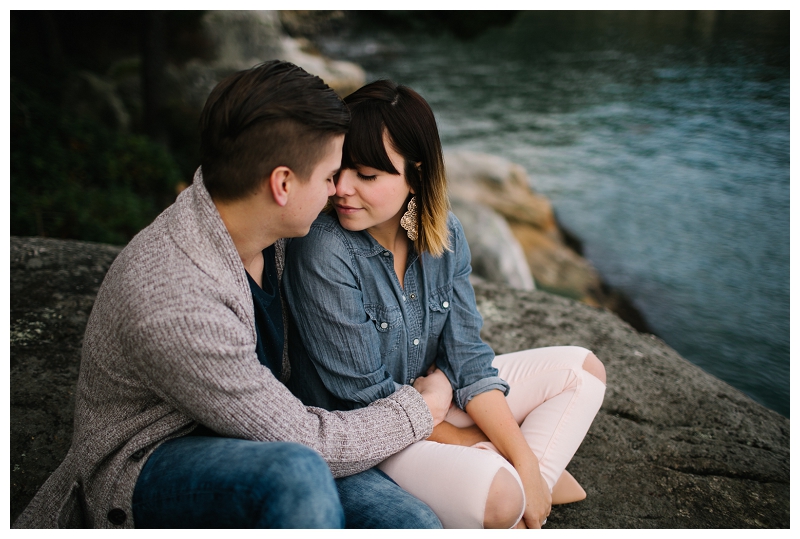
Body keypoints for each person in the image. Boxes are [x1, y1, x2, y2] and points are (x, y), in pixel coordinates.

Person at [13, 62, 454, 529]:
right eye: (329, 175)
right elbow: (304, 443)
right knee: (296, 476)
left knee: (412, 524)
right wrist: (417, 409)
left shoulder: (267, 227)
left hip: (262, 430)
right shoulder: (177, 299)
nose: (336, 191)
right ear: (282, 184)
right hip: (154, 466)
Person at [283, 79, 607, 529]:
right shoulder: (323, 249)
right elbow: (363, 397)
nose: (342, 188)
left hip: (432, 399)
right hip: (369, 434)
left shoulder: (444, 234)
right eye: (339, 169)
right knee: (500, 497)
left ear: (415, 174)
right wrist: (466, 438)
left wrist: (523, 460)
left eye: (367, 175)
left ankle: (532, 481)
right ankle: (517, 489)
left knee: (584, 371)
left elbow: (469, 359)